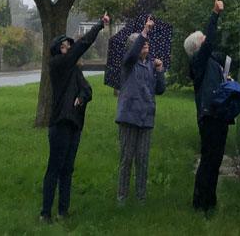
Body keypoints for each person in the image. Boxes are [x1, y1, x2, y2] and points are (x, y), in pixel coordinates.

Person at [40, 12, 110, 224]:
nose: (69, 48)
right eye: (64, 46)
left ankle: (63, 211)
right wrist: (99, 25)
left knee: (68, 168)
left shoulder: (75, 72)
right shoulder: (58, 66)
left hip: (75, 124)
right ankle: (45, 213)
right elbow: (81, 46)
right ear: (57, 52)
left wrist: (81, 97)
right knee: (55, 167)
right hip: (61, 122)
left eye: (69, 46)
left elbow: (87, 89)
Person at [185, 0, 231, 213]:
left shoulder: (211, 62)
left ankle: (209, 200)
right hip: (209, 115)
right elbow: (210, 40)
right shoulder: (198, 62)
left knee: (215, 160)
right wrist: (214, 14)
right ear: (198, 47)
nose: (207, 41)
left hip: (219, 114)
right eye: (203, 40)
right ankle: (199, 202)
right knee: (208, 160)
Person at [116, 15, 166, 204]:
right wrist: (144, 32)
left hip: (146, 118)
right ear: (134, 47)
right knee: (126, 159)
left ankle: (141, 197)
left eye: (147, 44)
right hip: (129, 117)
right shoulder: (128, 64)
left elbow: (160, 90)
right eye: (142, 44)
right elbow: (132, 53)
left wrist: (160, 71)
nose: (146, 45)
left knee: (143, 160)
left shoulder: (151, 66)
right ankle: (122, 197)